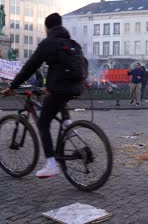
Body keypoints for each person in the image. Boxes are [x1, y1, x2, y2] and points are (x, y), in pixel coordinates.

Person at [0, 13, 86, 178]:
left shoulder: (48, 44)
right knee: (57, 101)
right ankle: (69, 126)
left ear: (47, 28)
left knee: (43, 123)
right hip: (76, 87)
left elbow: (29, 67)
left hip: (59, 88)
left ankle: (51, 164)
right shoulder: (72, 43)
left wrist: (12, 87)